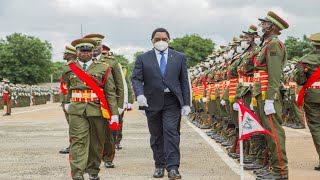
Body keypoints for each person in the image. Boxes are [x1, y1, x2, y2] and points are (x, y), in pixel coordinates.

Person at [131, 28, 191, 180]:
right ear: (152, 41)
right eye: (157, 39)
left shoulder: (179, 57)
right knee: (156, 135)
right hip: (152, 101)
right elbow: (136, 79)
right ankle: (159, 165)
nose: (160, 42)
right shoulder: (143, 58)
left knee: (171, 132)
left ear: (169, 39)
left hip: (172, 101)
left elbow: (184, 81)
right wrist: (140, 95)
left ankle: (172, 168)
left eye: (164, 39)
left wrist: (186, 103)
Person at [62, 38, 119, 180]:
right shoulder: (68, 69)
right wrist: (67, 103)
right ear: (77, 52)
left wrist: (114, 114)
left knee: (96, 143)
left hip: (97, 110)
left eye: (88, 51)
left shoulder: (104, 68)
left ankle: (93, 171)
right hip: (77, 111)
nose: (86, 53)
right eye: (82, 51)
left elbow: (110, 92)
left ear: (92, 52)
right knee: (78, 141)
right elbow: (68, 89)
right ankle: (78, 174)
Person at [253, 11, 289, 180]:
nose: (261, 26)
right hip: (262, 93)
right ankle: (272, 167)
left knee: (274, 133)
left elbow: (274, 75)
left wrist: (270, 98)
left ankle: (280, 172)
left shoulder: (274, 45)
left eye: (264, 23)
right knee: (267, 132)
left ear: (272, 27)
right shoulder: (266, 44)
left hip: (269, 95)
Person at [295, 32, 320, 171]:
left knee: (316, 128)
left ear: (313, 44)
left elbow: (300, 80)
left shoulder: (305, 60)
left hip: (313, 97)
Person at [59, 45, 77, 154]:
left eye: (65, 53)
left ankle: (73, 146)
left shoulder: (74, 66)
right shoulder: (68, 66)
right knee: (71, 124)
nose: (64, 55)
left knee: (74, 125)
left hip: (72, 99)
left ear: (71, 55)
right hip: (66, 98)